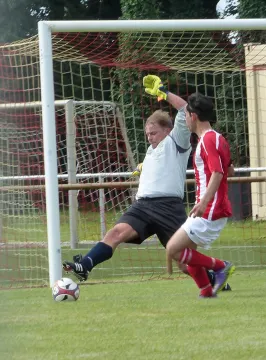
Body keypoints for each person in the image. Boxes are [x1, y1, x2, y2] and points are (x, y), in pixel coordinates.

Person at [63, 75, 231, 291]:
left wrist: (163, 92)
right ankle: (85, 265)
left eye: (153, 133)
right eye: (147, 134)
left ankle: (216, 278)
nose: (149, 137)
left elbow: (184, 110)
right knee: (116, 233)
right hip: (143, 206)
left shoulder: (177, 140)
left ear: (168, 130)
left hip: (168, 208)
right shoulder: (151, 151)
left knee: (182, 262)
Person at [164, 90, 235, 298]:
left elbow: (218, 172)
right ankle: (206, 291)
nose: (185, 120)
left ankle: (221, 266)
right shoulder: (216, 138)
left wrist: (204, 202)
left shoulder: (207, 140)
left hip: (210, 209)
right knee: (185, 260)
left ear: (193, 116)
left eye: (185, 115)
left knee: (173, 249)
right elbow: (229, 170)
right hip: (208, 206)